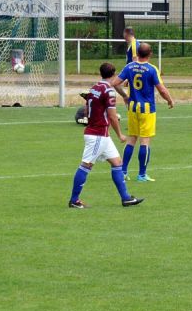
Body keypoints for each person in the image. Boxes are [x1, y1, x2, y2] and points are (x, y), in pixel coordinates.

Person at [69, 62, 143, 209]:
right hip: (98, 135)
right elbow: (112, 116)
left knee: (117, 163)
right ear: (114, 74)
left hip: (100, 133)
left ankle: (126, 198)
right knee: (86, 165)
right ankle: (74, 200)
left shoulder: (95, 87)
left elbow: (86, 108)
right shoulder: (109, 91)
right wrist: (121, 134)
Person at [112, 42, 174, 182]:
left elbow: (115, 83)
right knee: (145, 141)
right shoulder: (152, 69)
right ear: (150, 54)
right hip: (147, 109)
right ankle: (142, 175)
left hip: (133, 107)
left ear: (137, 53)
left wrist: (125, 96)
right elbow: (162, 89)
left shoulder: (129, 66)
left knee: (132, 139)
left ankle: (123, 171)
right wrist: (170, 100)